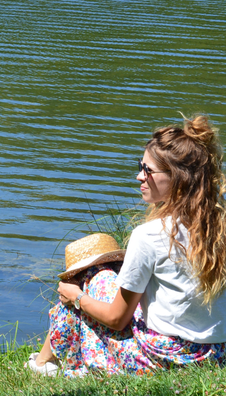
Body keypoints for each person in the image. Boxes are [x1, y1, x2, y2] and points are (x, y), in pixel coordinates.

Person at [28, 114, 226, 377]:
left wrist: (76, 297)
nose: (139, 177)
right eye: (140, 166)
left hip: (167, 358)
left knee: (91, 276)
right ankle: (46, 361)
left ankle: (48, 364)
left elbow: (116, 319)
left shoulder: (151, 234)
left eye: (148, 171)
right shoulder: (219, 223)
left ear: (178, 178)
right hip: (217, 355)